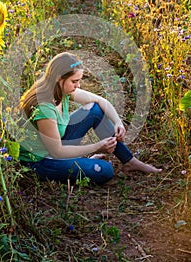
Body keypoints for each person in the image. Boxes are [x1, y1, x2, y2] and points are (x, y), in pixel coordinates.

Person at [19, 52, 162, 185]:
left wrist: (118, 122)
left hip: (55, 145)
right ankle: (78, 163)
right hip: (41, 161)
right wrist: (97, 147)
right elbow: (56, 152)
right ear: (59, 78)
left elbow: (100, 101)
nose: (78, 85)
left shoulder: (61, 90)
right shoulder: (45, 107)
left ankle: (130, 161)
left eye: (79, 80)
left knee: (94, 110)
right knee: (105, 170)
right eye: (74, 81)